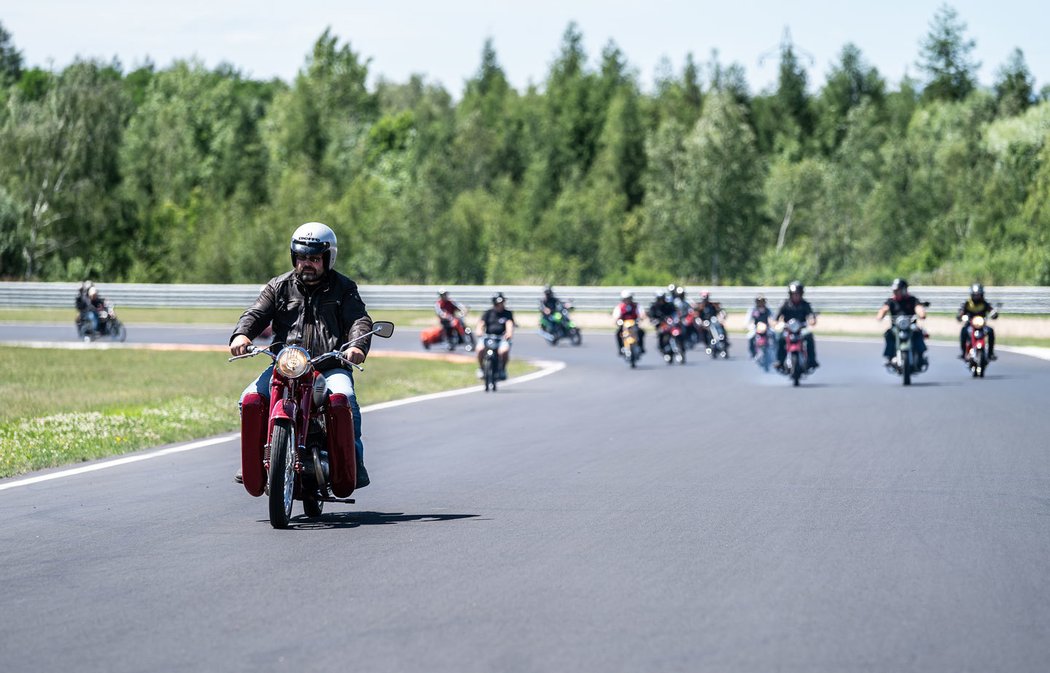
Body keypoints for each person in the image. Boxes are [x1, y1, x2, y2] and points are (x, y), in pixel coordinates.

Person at [229, 222, 375, 488]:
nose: (307, 263)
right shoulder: (279, 286)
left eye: (314, 258)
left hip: (329, 364)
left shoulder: (344, 288)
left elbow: (359, 320)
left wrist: (356, 347)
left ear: (328, 258)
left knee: (346, 399)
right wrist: (242, 334)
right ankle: (255, 457)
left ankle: (354, 461)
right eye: (301, 257)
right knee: (248, 399)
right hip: (285, 365)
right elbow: (256, 313)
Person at [875, 278, 928, 366]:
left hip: (911, 326)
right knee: (888, 334)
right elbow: (884, 309)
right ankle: (890, 356)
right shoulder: (891, 301)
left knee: (918, 333)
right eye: (894, 290)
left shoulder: (912, 299)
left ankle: (920, 356)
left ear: (904, 289)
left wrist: (921, 313)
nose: (896, 292)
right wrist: (881, 314)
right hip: (896, 327)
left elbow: (918, 308)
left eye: (898, 290)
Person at [774, 280, 819, 370]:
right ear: (790, 294)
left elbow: (811, 316)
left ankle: (812, 360)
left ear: (801, 294)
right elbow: (776, 317)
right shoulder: (785, 304)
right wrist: (778, 323)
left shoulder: (805, 305)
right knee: (779, 338)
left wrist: (812, 321)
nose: (796, 296)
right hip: (788, 329)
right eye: (794, 294)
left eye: (798, 294)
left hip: (801, 329)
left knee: (809, 336)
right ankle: (780, 360)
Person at [476, 293, 515, 379]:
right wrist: (479, 331)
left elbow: (509, 324)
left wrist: (509, 333)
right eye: (498, 304)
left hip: (501, 338)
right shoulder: (488, 313)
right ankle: (481, 368)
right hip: (488, 337)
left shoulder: (507, 313)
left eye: (502, 303)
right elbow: (481, 323)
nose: (500, 305)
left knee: (504, 351)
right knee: (480, 349)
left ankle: (502, 369)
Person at [957, 283, 998, 360]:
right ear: (971, 295)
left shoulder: (985, 303)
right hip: (970, 324)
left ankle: (990, 353)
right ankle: (963, 352)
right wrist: (960, 316)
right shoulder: (967, 303)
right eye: (975, 295)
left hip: (982, 325)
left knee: (990, 331)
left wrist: (994, 314)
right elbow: (961, 312)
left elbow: (991, 310)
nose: (976, 297)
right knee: (963, 331)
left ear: (982, 294)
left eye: (978, 295)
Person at [612, 290, 646, 354]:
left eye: (629, 299)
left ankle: (641, 347)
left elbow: (642, 314)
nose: (627, 301)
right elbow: (615, 316)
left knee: (641, 332)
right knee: (618, 333)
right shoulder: (619, 307)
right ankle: (621, 348)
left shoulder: (636, 306)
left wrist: (641, 318)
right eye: (625, 299)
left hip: (634, 324)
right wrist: (617, 321)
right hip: (624, 324)